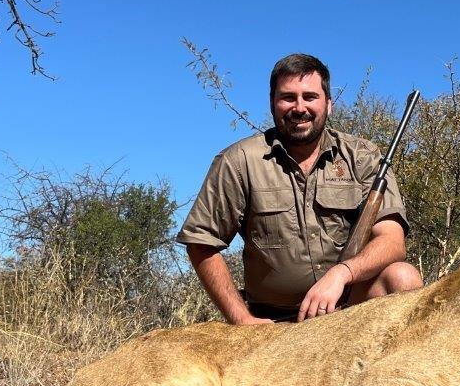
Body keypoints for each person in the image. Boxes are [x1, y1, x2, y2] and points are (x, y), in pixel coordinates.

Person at [177, 53, 423, 324]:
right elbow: (201, 243)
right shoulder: (239, 161)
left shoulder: (362, 156)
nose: (299, 107)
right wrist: (242, 320)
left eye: (310, 97)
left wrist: (342, 273)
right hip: (274, 321)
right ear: (272, 103)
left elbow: (392, 241)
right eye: (288, 97)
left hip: (349, 304)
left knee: (403, 277)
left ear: (328, 104)